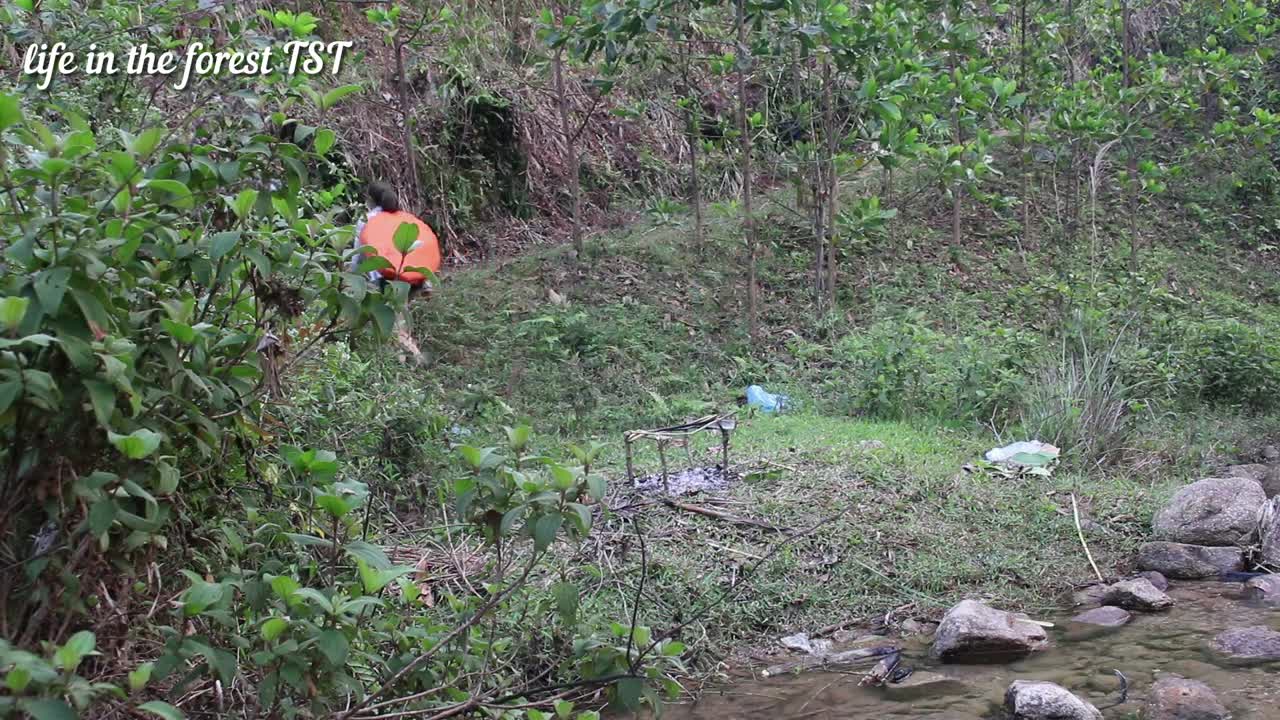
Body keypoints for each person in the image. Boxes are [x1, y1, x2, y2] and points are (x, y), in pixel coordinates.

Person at [350, 181, 401, 286]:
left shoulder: (366, 220)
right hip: (401, 270)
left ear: (370, 199)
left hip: (380, 274)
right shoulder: (401, 217)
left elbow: (358, 251)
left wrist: (352, 274)